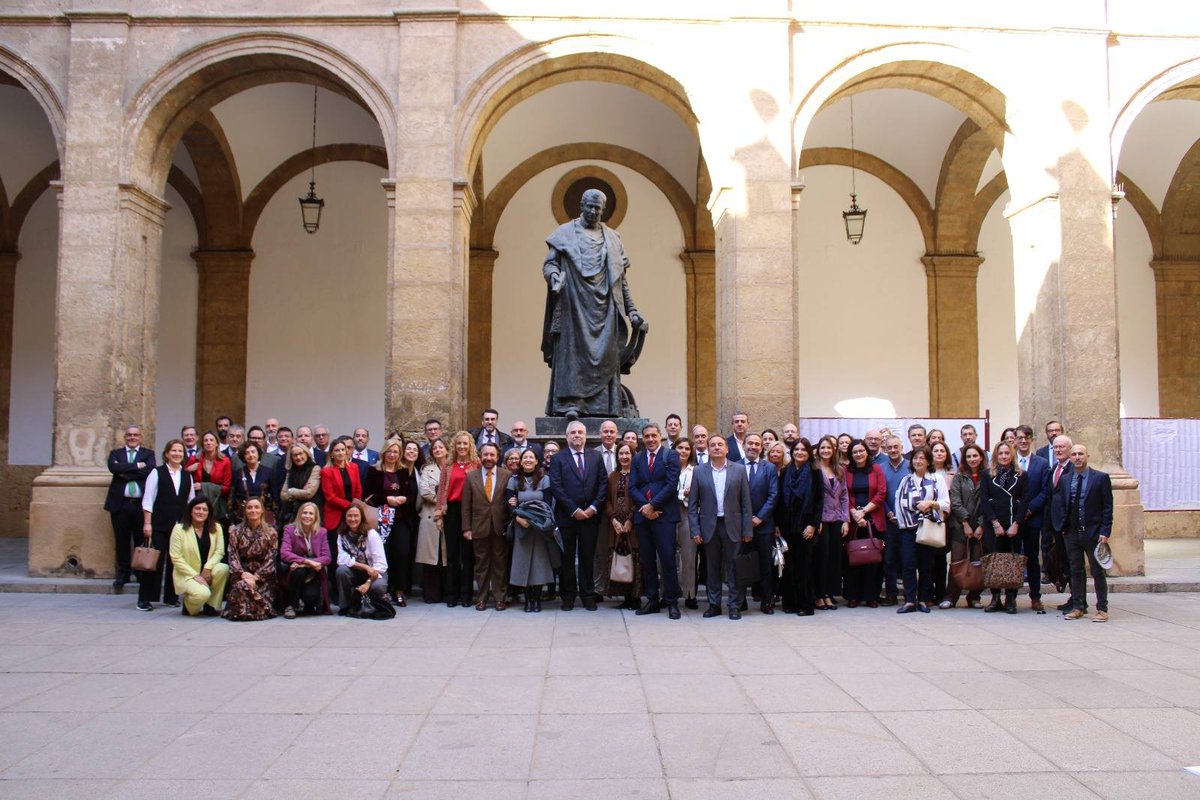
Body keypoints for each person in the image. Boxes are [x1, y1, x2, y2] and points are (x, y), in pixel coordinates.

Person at [541, 188, 646, 418]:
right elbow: (550, 264)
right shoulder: (564, 233)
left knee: (606, 355)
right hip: (573, 304)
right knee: (572, 353)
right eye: (590, 206)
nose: (594, 211)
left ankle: (607, 407)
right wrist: (554, 277)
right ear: (581, 206)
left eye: (598, 208)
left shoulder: (613, 238)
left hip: (605, 308)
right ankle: (571, 403)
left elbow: (620, 280)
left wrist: (632, 310)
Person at [688, 435, 752, 620]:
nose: (716, 447)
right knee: (712, 568)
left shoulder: (739, 470)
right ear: (708, 449)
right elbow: (693, 504)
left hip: (733, 526)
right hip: (709, 526)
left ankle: (734, 606)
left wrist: (747, 530)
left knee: (734, 568)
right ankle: (714, 605)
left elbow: (746, 503)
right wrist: (695, 530)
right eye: (713, 445)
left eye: (720, 445)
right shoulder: (699, 471)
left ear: (727, 449)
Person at [547, 420, 607, 610]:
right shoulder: (558, 458)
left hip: (590, 517)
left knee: (587, 557)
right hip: (567, 517)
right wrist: (574, 509)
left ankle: (588, 595)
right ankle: (568, 596)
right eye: (573, 432)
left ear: (586, 436)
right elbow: (556, 486)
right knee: (567, 558)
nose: (577, 435)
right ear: (567, 437)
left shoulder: (595, 457)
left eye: (580, 432)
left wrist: (593, 508)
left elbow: (603, 483)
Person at [1053, 443, 1113, 622]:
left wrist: (1105, 531)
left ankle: (1102, 609)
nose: (1077, 457)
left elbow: (1107, 507)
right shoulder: (1066, 479)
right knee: (1076, 570)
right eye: (1074, 455)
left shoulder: (1100, 478)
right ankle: (1078, 606)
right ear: (1070, 458)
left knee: (1097, 571)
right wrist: (1062, 527)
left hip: (1093, 533)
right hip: (1072, 533)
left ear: (1087, 456)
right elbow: (1062, 504)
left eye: (1080, 454)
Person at [630, 423, 682, 619]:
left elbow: (671, 484)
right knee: (647, 559)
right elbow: (633, 487)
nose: (650, 439)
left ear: (660, 436)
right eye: (647, 436)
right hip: (643, 517)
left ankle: (671, 602)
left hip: (664, 516)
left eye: (654, 435)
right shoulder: (637, 458)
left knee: (667, 559)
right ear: (642, 438)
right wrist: (646, 507)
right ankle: (652, 600)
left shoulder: (671, 456)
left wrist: (653, 505)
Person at [138, 438, 193, 611]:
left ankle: (171, 597)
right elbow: (148, 500)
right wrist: (147, 523)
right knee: (154, 560)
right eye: (174, 451)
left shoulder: (187, 476)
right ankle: (145, 598)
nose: (177, 454)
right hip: (159, 524)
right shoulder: (157, 472)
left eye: (180, 451)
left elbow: (190, 502)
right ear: (167, 454)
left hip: (179, 527)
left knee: (175, 562)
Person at [894, 446, 949, 614]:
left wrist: (930, 503)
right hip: (908, 528)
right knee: (908, 564)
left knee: (926, 565)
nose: (918, 461)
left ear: (928, 461)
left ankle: (924, 599)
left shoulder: (937, 479)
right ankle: (910, 600)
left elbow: (946, 503)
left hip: (928, 526)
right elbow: (898, 503)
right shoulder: (905, 480)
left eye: (922, 458)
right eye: (915, 458)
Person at [364, 437, 417, 606]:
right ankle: (383, 590)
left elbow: (411, 495)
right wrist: (387, 499)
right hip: (380, 519)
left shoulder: (403, 471)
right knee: (383, 554)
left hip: (401, 519)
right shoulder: (374, 471)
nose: (392, 455)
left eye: (395, 452)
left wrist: (404, 499)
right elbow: (368, 496)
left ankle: (399, 590)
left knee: (402, 554)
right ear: (383, 452)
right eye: (389, 451)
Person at [105, 424, 156, 589]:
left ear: (140, 437)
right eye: (129, 435)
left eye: (135, 435)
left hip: (140, 505)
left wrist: (124, 473)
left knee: (141, 539)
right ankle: (123, 573)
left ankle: (139, 572)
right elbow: (113, 467)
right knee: (122, 540)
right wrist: (137, 466)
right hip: (120, 504)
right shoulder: (116, 453)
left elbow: (150, 470)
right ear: (125, 437)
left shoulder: (148, 454)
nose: (132, 437)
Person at [462, 442, 512, 610]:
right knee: (481, 565)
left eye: (492, 455)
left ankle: (500, 598)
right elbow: (466, 506)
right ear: (480, 456)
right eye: (485, 454)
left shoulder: (507, 475)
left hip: (500, 527)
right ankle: (482, 598)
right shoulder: (471, 476)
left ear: (497, 457)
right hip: (479, 527)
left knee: (500, 564)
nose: (488, 458)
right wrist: (467, 528)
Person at [980, 441, 1028, 614]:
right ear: (995, 455)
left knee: (1011, 562)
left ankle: (1010, 599)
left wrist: (1016, 524)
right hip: (994, 525)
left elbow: (1025, 501)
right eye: (1000, 453)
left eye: (1007, 453)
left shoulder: (1021, 475)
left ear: (1012, 455)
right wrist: (995, 523)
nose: (1004, 456)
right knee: (994, 560)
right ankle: (995, 598)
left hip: (1013, 525)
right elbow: (984, 500)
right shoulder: (986, 475)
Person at [435, 431, 480, 607]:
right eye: (459, 443)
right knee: (452, 555)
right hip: (452, 511)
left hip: (470, 511)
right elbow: (441, 491)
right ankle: (452, 594)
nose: (462, 446)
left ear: (470, 446)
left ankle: (467, 595)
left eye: (465, 444)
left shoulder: (476, 465)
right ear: (454, 445)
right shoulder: (448, 466)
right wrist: (439, 515)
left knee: (467, 555)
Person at [507, 449, 555, 612]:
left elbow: (548, 503)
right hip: (521, 527)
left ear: (536, 461)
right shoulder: (513, 480)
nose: (527, 460)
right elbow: (509, 504)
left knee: (538, 563)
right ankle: (527, 600)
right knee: (523, 562)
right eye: (525, 457)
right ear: (521, 462)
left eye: (531, 457)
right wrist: (518, 518)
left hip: (539, 528)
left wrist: (536, 521)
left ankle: (537, 599)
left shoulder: (545, 479)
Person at [844, 439, 887, 608]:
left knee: (872, 559)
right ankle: (852, 596)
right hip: (853, 520)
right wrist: (855, 513)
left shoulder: (877, 469)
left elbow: (881, 493)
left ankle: (871, 596)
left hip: (873, 519)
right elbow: (843, 495)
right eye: (855, 452)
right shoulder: (846, 471)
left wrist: (864, 511)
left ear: (867, 452)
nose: (858, 454)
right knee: (853, 558)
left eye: (861, 451)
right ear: (850, 455)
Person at [169, 497, 229, 617]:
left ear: (209, 513)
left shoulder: (216, 528)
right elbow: (176, 558)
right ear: (190, 510)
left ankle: (211, 606)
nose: (201, 512)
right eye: (197, 508)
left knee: (223, 568)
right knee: (203, 594)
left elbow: (220, 551)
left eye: (204, 509)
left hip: (207, 571)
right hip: (187, 574)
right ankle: (189, 607)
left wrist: (207, 568)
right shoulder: (179, 529)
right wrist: (195, 575)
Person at [779, 439, 820, 615]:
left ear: (809, 453)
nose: (800, 452)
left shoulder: (815, 473)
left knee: (804, 566)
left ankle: (806, 605)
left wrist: (813, 525)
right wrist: (777, 524)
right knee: (789, 566)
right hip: (787, 525)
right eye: (796, 449)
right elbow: (780, 500)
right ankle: (791, 603)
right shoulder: (785, 471)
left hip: (805, 526)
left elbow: (819, 501)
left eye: (803, 449)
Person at [944, 443, 987, 609]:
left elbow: (989, 503)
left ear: (981, 457)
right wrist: (965, 523)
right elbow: (955, 502)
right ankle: (951, 597)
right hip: (960, 526)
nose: (972, 459)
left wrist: (981, 525)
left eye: (975, 455)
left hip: (981, 527)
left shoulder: (988, 476)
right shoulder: (959, 477)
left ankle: (974, 597)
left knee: (977, 562)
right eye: (968, 456)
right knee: (957, 562)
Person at [222, 497, 277, 621]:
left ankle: (255, 609)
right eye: (249, 507)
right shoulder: (236, 531)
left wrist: (256, 577)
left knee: (247, 588)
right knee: (242, 586)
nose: (253, 510)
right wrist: (243, 575)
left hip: (263, 577)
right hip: (242, 574)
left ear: (262, 511)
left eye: (256, 507)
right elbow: (232, 555)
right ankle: (256, 609)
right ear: (245, 511)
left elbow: (271, 558)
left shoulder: (271, 532)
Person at [743, 433, 779, 614]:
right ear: (744, 445)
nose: (753, 446)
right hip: (741, 526)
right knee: (741, 564)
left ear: (761, 448)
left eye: (757, 444)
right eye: (750, 443)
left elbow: (773, 495)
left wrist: (760, 517)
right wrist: (745, 519)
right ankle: (740, 601)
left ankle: (766, 601)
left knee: (766, 565)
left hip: (764, 525)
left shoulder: (769, 467)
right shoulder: (734, 466)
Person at [1015, 425, 1050, 612]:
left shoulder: (1042, 463)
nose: (1023, 441)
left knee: (1032, 559)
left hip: (1032, 518)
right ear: (1015, 440)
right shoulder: (1008, 460)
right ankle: (1011, 596)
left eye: (1027, 437)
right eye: (1020, 437)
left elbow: (1045, 491)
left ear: (1032, 440)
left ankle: (1035, 596)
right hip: (1012, 519)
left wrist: (1029, 509)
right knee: (1012, 558)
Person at [604, 442, 641, 610]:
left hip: (632, 526)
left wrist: (630, 520)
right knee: (619, 560)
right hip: (616, 527)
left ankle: (635, 598)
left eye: (628, 453)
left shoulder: (638, 476)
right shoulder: (612, 476)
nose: (624, 457)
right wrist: (613, 520)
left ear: (633, 455)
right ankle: (625, 598)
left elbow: (639, 500)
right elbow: (607, 501)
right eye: (621, 453)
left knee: (634, 560)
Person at [334, 505, 389, 616]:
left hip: (375, 573)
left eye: (356, 516)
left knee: (377, 587)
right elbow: (342, 559)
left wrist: (368, 583)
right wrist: (365, 567)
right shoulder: (342, 535)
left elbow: (381, 564)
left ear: (361, 517)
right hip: (356, 571)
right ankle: (345, 606)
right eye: (349, 516)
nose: (352, 519)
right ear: (345, 518)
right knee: (341, 571)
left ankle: (374, 604)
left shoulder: (371, 534)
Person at [279, 501, 331, 618]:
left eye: (311, 514)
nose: (307, 516)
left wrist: (305, 564)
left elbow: (327, 557)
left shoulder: (322, 532)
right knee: (299, 571)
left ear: (316, 517)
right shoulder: (289, 530)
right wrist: (308, 561)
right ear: (299, 515)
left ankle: (309, 604)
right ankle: (290, 606)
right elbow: (284, 553)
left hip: (312, 574)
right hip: (293, 573)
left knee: (311, 596)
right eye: (305, 513)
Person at [814, 435, 848, 611]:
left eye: (829, 447)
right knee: (821, 558)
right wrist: (815, 520)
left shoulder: (839, 469)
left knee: (833, 559)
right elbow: (813, 497)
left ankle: (828, 593)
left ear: (833, 450)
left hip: (836, 519)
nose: (826, 450)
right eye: (823, 447)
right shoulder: (814, 469)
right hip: (821, 520)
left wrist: (845, 520)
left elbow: (844, 496)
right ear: (818, 450)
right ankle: (819, 595)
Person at [879, 436, 912, 605]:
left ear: (901, 448)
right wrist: (888, 513)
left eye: (895, 447)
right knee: (889, 559)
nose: (893, 450)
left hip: (908, 521)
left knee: (908, 559)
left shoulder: (911, 466)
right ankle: (891, 594)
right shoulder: (880, 468)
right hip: (889, 520)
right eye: (889, 447)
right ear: (885, 449)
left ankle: (909, 594)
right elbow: (879, 494)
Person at [415, 438, 448, 603]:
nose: (438, 450)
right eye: (435, 448)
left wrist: (444, 500)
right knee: (431, 558)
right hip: (430, 516)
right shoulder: (427, 469)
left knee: (446, 557)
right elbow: (425, 491)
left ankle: (447, 593)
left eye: (441, 447)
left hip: (449, 516)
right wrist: (444, 501)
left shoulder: (452, 468)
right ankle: (431, 594)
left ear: (447, 450)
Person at [928, 440, 955, 602]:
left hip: (946, 522)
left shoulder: (952, 475)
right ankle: (927, 592)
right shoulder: (926, 474)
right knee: (928, 558)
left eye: (942, 451)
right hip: (928, 521)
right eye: (936, 450)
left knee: (941, 559)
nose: (939, 453)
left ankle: (940, 593)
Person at [185, 431, 232, 524]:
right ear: (202, 444)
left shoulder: (225, 461)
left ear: (217, 444)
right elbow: (182, 479)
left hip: (217, 505)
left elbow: (227, 488)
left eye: (211, 440)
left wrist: (203, 486)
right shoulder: (194, 459)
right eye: (206, 440)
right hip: (197, 504)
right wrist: (188, 470)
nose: (208, 442)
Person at [674, 438, 699, 610]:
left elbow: (698, 494)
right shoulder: (667, 468)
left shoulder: (696, 470)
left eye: (687, 449)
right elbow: (668, 491)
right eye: (680, 448)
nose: (683, 451)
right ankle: (667, 594)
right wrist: (684, 492)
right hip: (669, 514)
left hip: (688, 514)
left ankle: (690, 595)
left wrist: (683, 494)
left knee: (689, 557)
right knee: (666, 558)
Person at [321, 439, 363, 538]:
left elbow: (358, 488)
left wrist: (355, 505)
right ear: (331, 454)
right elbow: (330, 497)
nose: (340, 453)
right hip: (335, 514)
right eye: (337, 450)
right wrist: (349, 506)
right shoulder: (326, 471)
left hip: (353, 514)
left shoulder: (354, 467)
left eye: (343, 450)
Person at [277, 443, 321, 535]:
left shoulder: (315, 468)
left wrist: (291, 491)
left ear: (307, 453)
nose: (298, 457)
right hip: (291, 515)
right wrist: (299, 493)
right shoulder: (290, 471)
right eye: (295, 455)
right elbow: (282, 495)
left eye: (301, 453)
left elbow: (308, 493)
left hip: (309, 514)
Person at [231, 441, 272, 527]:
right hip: (242, 517)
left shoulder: (268, 472)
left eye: (253, 452)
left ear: (258, 453)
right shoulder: (238, 473)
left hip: (264, 517)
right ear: (243, 456)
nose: (251, 455)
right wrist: (232, 522)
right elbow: (232, 497)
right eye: (247, 453)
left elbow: (274, 496)